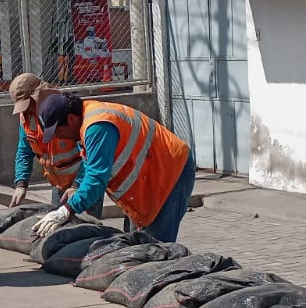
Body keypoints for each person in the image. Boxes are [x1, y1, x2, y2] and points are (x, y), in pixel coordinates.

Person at [29, 93, 195, 245]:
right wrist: (77, 186)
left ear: (71, 119)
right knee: (139, 246)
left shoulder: (98, 126)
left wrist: (67, 210)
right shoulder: (87, 120)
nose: (59, 137)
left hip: (171, 174)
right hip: (152, 179)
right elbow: (91, 161)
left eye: (58, 131)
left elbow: (96, 180)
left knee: (155, 249)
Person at [6, 72, 99, 217]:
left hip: (85, 183)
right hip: (59, 184)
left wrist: (77, 186)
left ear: (37, 97)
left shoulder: (64, 111)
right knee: (57, 222)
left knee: (88, 226)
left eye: (28, 104)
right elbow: (24, 151)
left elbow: (90, 157)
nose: (27, 110)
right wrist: (21, 184)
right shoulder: (26, 120)